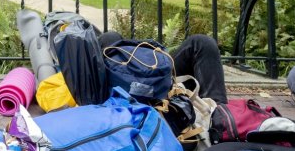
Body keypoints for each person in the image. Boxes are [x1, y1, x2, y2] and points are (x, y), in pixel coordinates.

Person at [98, 31, 228, 104]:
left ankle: (220, 117)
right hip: (121, 94)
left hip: (162, 83)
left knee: (201, 43)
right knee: (110, 38)